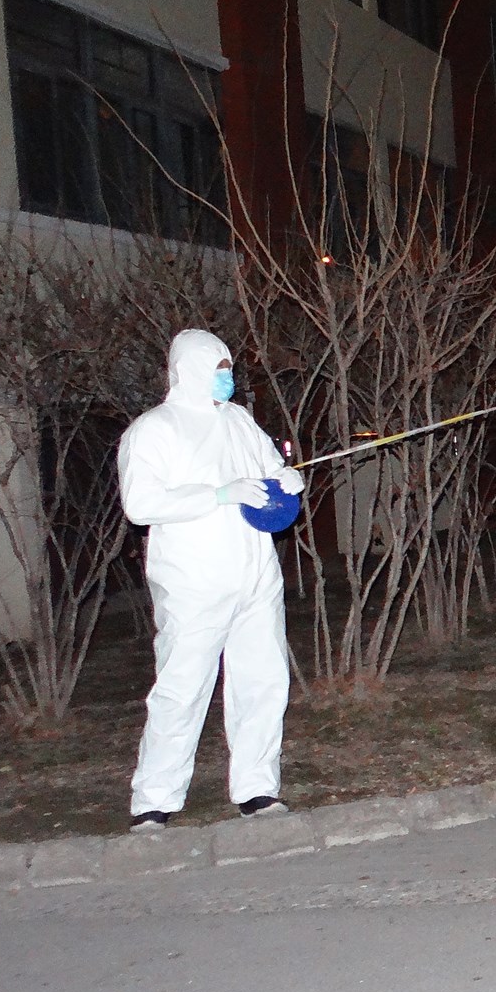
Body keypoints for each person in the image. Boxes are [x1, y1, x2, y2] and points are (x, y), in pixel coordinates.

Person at [118, 330, 305, 831]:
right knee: (182, 688)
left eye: (229, 369)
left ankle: (257, 788)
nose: (228, 378)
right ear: (190, 370)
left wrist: (286, 480)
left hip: (255, 575)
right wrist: (218, 494)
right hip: (192, 582)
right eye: (219, 369)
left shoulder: (238, 420)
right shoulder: (154, 430)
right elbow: (140, 503)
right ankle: (154, 800)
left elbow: (270, 469)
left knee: (262, 682)